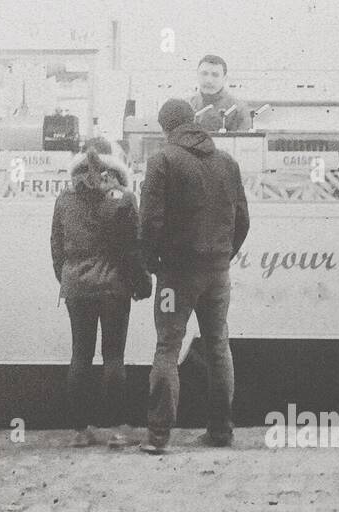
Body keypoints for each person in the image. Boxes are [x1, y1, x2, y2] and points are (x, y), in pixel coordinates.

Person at [139, 99, 250, 453]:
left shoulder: (163, 160)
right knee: (218, 345)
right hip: (217, 274)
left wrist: (152, 262)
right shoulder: (227, 162)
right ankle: (221, 431)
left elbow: (150, 221)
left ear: (165, 128)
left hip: (175, 276)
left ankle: (158, 437)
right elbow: (243, 219)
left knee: (167, 347)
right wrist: (223, 255)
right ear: (194, 122)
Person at [50, 138, 151, 447]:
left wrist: (68, 279)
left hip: (76, 286)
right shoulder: (123, 198)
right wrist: (141, 283)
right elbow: (133, 249)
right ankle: (119, 429)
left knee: (80, 355)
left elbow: (56, 249)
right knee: (113, 356)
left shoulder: (65, 199)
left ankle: (81, 431)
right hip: (113, 287)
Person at [189, 54, 249, 132]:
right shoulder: (187, 106)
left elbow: (244, 142)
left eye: (215, 75)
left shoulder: (238, 109)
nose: (209, 80)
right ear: (197, 75)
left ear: (225, 79)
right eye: (204, 74)